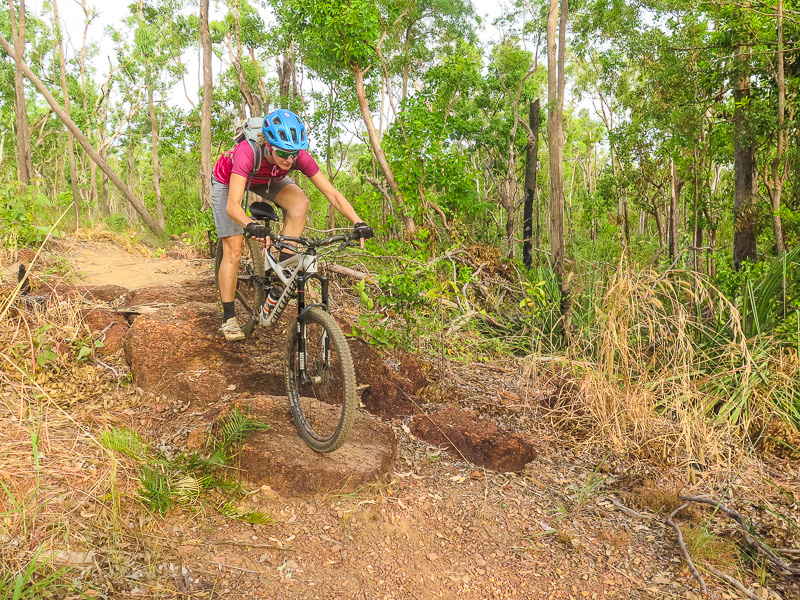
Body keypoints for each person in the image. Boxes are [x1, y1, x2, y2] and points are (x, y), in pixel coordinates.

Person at [211, 109, 373, 341]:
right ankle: (228, 317)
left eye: (294, 153)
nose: (290, 158)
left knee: (300, 204)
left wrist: (358, 221)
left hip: (267, 178)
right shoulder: (249, 152)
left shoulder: (295, 158)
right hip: (229, 180)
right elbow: (233, 206)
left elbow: (332, 194)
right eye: (284, 152)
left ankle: (282, 266)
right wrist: (250, 225)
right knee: (234, 250)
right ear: (269, 145)